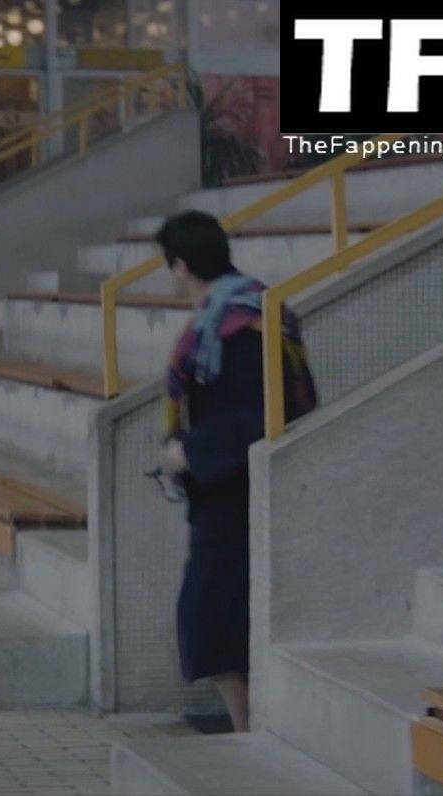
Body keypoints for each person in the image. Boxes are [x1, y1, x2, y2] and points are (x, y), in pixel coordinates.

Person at [155, 210, 318, 733]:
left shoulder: (239, 324)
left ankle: (248, 728)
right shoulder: (243, 310)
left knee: (210, 612)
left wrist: (190, 452)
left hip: (238, 490)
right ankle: (247, 724)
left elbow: (258, 411)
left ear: (180, 267)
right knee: (219, 613)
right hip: (227, 487)